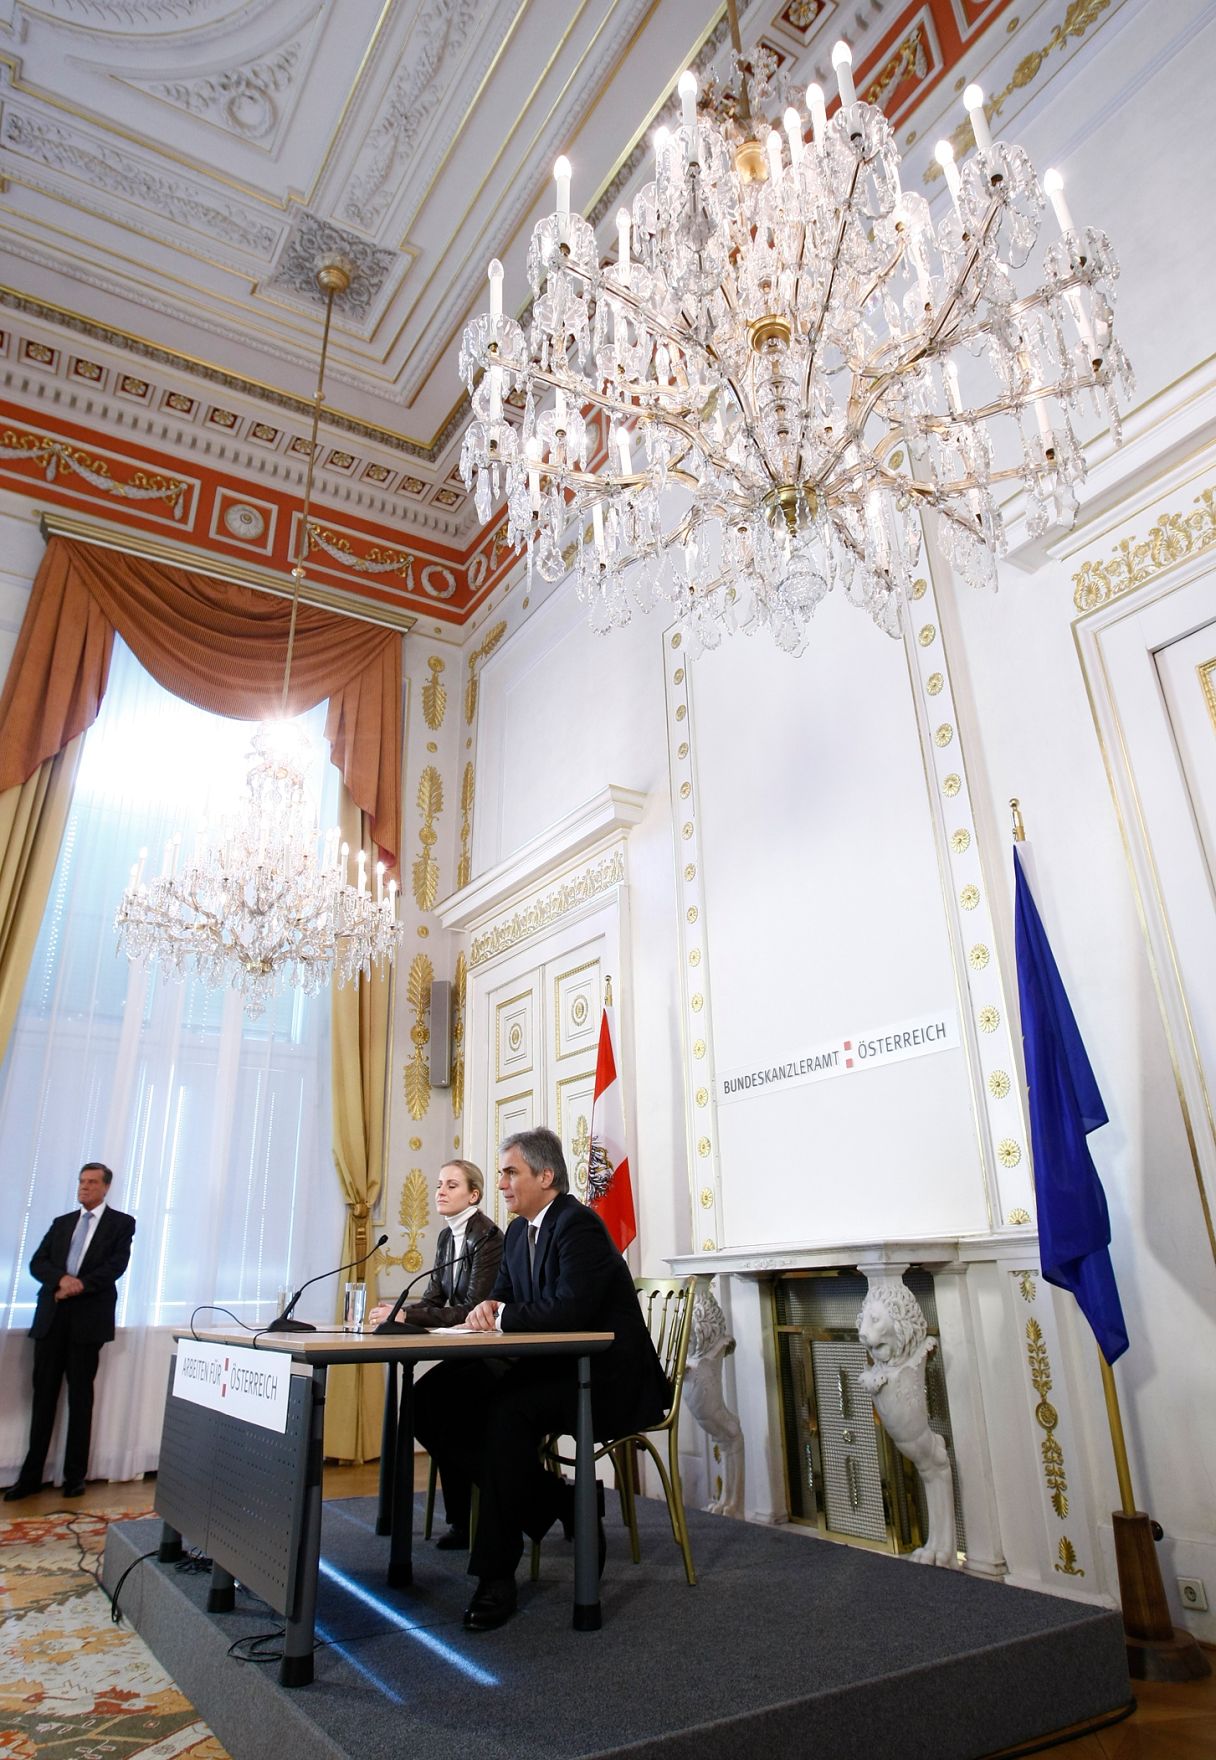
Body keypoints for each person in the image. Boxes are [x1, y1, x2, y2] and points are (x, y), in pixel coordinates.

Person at [413, 1126, 670, 1632]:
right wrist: (488, 1309)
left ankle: (495, 1577)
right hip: (547, 1366)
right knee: (431, 1398)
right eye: (503, 1173)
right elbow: (503, 1299)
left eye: (511, 1172)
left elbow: (570, 1308)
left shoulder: (580, 1226)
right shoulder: (516, 1235)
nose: (503, 1183)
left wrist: (501, 1314)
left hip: (602, 1377)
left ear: (545, 1176)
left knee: (505, 1414)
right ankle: (560, 1499)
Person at [367, 1158, 503, 1549]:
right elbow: (434, 1298)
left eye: (452, 1185)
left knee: (430, 1407)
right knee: (424, 1408)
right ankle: (466, 1516)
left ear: (474, 1195)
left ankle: (489, 1503)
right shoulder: (447, 1238)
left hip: (492, 1355)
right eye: (439, 1184)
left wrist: (411, 1314)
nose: (440, 1191)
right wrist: (398, 1314)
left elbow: (474, 1308)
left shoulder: (489, 1238)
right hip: (462, 1355)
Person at [4, 1162, 136, 1501]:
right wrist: (61, 1280)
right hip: (52, 1320)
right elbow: (38, 1262)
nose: (84, 1187)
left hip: (87, 1323)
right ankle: (30, 1477)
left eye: (91, 1182)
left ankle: (74, 1476)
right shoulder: (62, 1224)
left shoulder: (121, 1224)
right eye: (81, 1181)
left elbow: (115, 1267)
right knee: (43, 1399)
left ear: (106, 1187)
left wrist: (77, 1286)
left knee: (80, 1399)